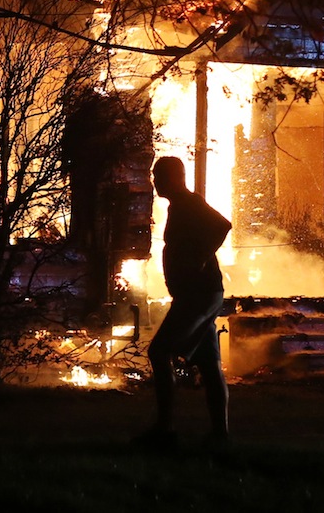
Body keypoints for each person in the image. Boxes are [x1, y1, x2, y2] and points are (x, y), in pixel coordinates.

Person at [134, 155, 232, 451]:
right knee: (209, 364)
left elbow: (221, 225)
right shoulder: (180, 206)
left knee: (160, 351)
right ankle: (220, 434)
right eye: (154, 176)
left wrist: (199, 259)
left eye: (159, 176)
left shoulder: (189, 203)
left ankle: (165, 429)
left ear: (176, 177)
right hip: (201, 293)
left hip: (197, 294)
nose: (155, 181)